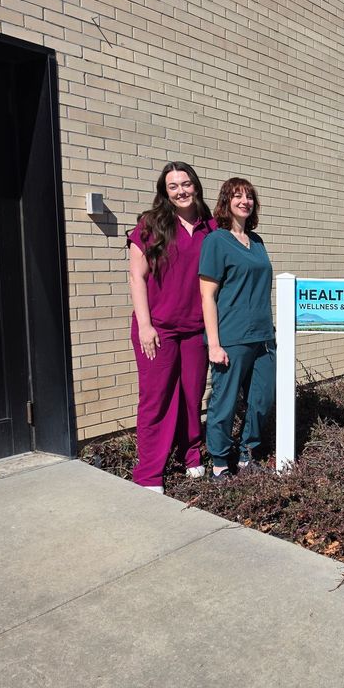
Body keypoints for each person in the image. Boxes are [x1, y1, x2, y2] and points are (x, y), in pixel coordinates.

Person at [128, 161, 215, 492]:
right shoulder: (152, 224)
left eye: (186, 183)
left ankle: (190, 455)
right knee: (157, 399)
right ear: (165, 192)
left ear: (196, 185)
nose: (181, 191)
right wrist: (145, 325)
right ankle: (149, 473)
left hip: (194, 328)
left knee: (192, 396)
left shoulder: (210, 227)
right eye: (173, 186)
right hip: (158, 329)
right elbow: (137, 275)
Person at [198, 177, 275, 481]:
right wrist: (214, 344)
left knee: (262, 398)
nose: (245, 201)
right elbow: (207, 295)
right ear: (226, 202)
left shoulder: (257, 242)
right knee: (225, 402)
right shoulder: (216, 241)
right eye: (237, 196)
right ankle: (219, 463)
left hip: (263, 337)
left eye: (249, 196)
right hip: (231, 337)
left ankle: (247, 454)